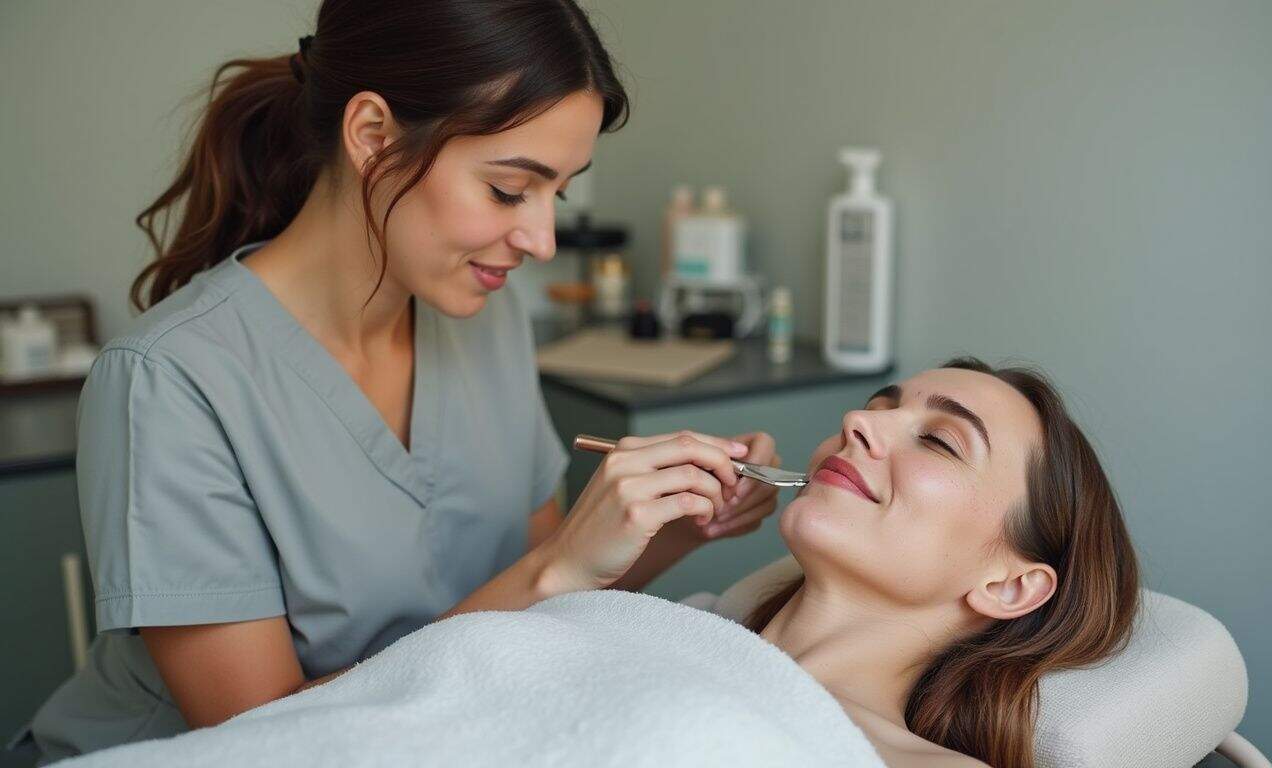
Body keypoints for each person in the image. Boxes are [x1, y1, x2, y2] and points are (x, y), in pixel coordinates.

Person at [27, 0, 780, 761]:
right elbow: (255, 739)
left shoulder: (486, 318)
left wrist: (680, 523)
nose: (542, 240)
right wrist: (557, 567)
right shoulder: (170, 381)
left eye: (561, 191)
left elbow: (538, 611)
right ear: (373, 137)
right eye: (510, 190)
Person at [744, 357, 1141, 767]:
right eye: (877, 408)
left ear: (1009, 587)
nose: (856, 420)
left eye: (938, 440)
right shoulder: (690, 632)